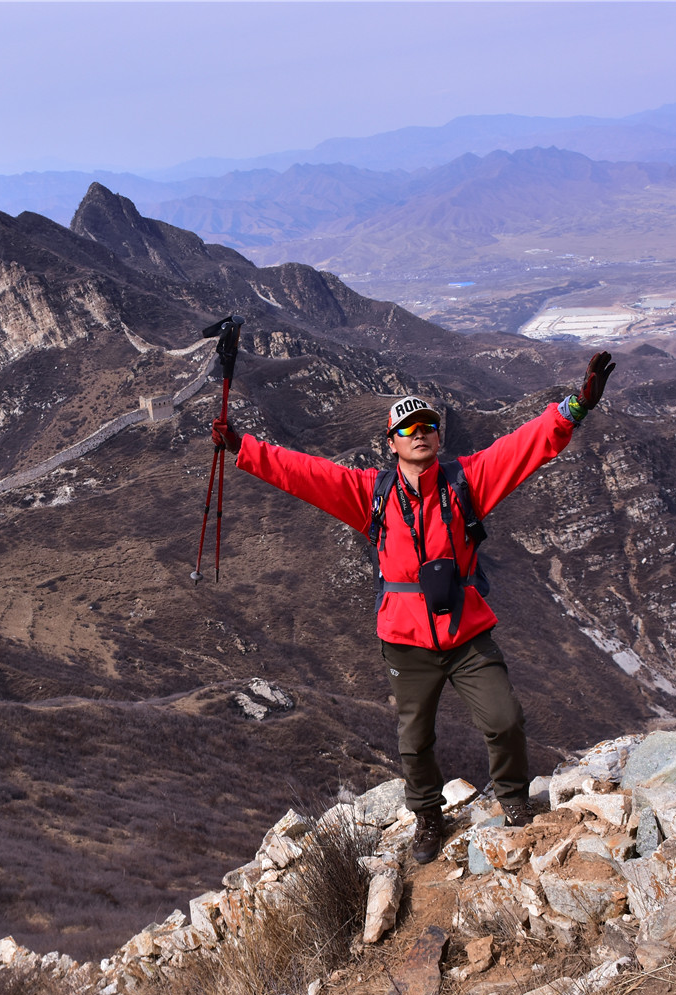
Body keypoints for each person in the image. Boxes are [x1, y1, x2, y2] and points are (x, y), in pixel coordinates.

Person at [212, 352, 616, 863]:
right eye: (407, 428)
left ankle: (514, 803)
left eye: (427, 425)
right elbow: (304, 473)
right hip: (405, 639)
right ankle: (428, 818)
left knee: (505, 718)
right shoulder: (370, 494)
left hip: (467, 633)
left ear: (438, 437)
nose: (419, 432)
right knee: (415, 739)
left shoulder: (469, 480)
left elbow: (526, 445)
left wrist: (576, 405)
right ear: (392, 443)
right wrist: (242, 447)